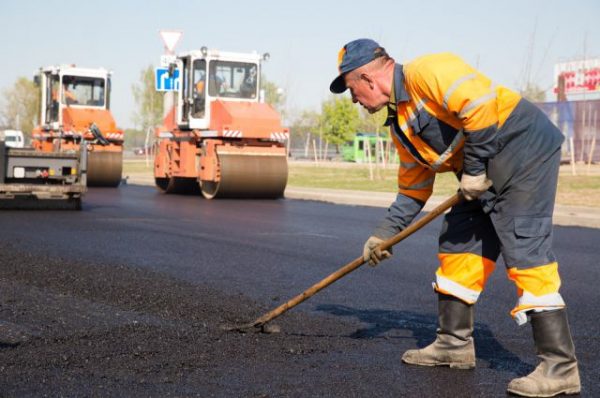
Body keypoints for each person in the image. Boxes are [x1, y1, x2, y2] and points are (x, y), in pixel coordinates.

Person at [329, 38, 580, 397]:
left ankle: (560, 367)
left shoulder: (426, 71)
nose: (353, 99)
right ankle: (453, 344)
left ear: (367, 78)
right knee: (458, 244)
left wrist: (475, 170)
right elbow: (413, 189)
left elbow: (478, 107)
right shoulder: (401, 123)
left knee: (525, 248)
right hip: (478, 174)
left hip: (523, 152)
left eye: (351, 89)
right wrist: (383, 234)